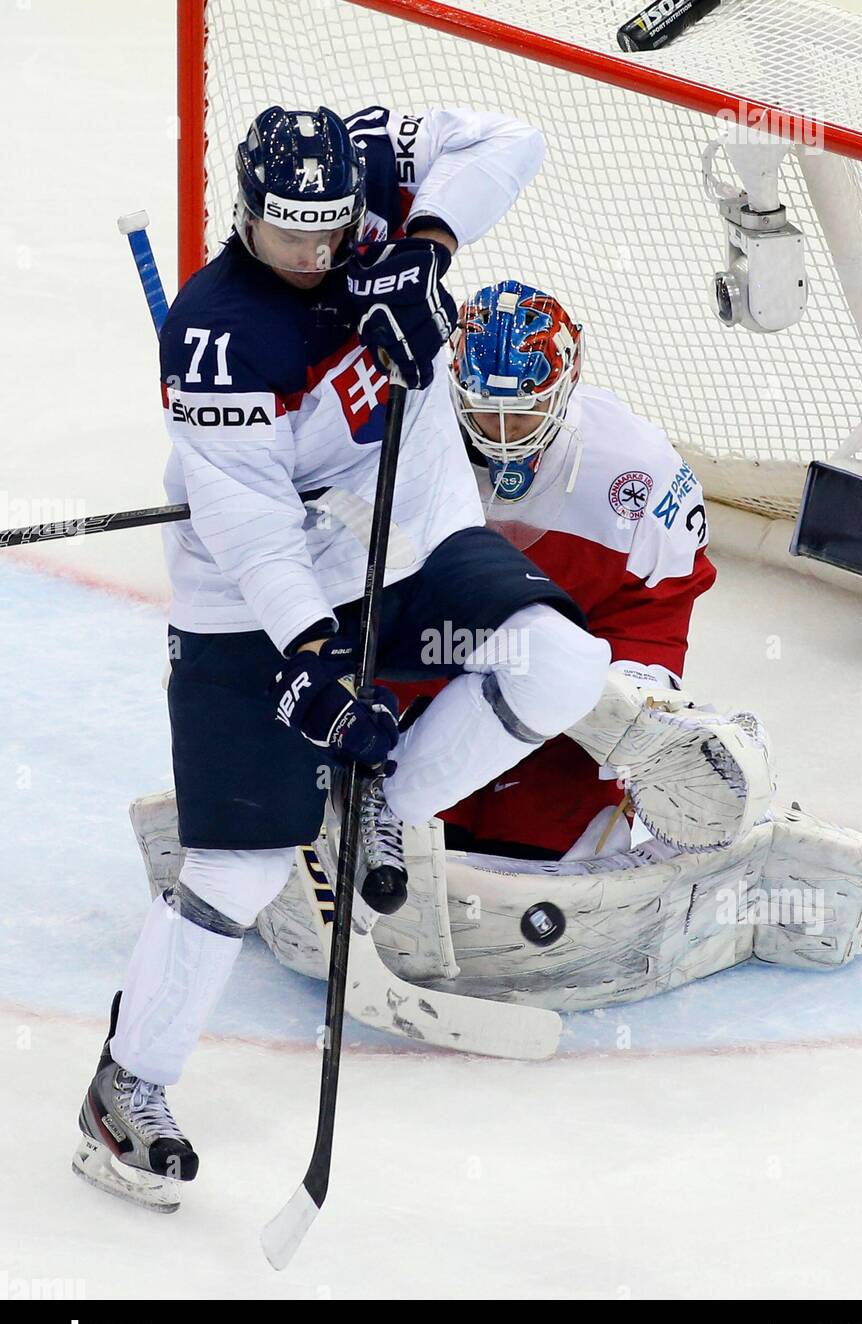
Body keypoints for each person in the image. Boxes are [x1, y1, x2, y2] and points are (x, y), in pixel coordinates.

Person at [73, 108, 610, 1210]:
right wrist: (313, 657)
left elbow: (511, 140)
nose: (316, 257)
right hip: (248, 596)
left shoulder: (368, 159)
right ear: (245, 216)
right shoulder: (217, 337)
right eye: (291, 239)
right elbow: (257, 538)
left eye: (334, 234)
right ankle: (126, 1089)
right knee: (239, 866)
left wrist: (424, 246)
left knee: (560, 662)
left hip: (409, 538)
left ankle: (381, 798)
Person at [395, 279, 717, 860]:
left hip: (562, 714)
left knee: (541, 860)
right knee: (409, 835)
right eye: (483, 407)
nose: (501, 431)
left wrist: (634, 692)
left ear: (566, 385)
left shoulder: (634, 468)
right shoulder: (404, 433)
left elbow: (661, 598)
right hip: (424, 677)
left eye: (522, 411)